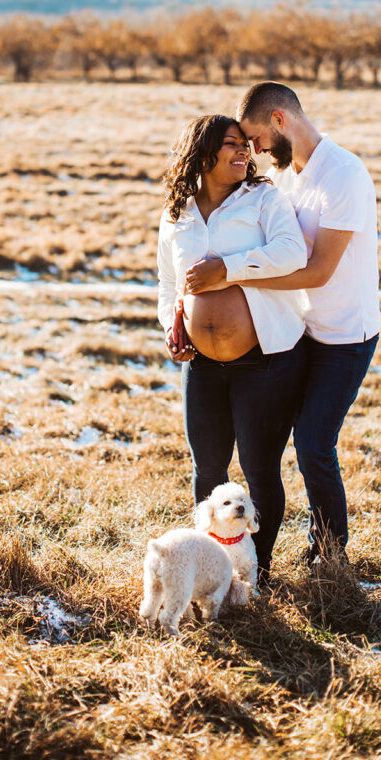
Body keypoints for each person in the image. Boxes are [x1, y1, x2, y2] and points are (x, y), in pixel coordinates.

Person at [183, 83, 380, 566]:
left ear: (278, 120)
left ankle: (329, 556)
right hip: (299, 331)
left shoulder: (343, 175)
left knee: (314, 442)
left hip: (343, 335)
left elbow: (315, 270)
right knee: (271, 445)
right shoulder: (288, 174)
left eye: (254, 139)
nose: (253, 152)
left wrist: (227, 274)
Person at [157, 114, 309, 584]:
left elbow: (292, 252)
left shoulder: (264, 199)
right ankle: (213, 574)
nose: (244, 152)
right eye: (231, 145)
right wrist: (173, 325)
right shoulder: (176, 213)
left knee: (259, 469)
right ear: (202, 153)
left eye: (246, 144)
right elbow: (167, 283)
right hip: (201, 364)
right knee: (208, 468)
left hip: (265, 361)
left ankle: (256, 574)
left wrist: (228, 268)